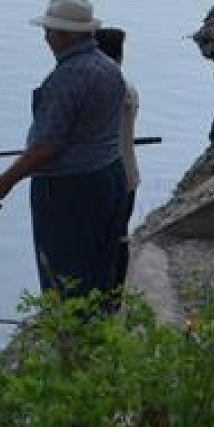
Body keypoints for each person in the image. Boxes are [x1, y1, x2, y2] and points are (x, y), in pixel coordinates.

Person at [0, 0, 129, 303]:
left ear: (62, 35)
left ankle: (72, 342)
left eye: (48, 31)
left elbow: (46, 147)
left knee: (65, 274)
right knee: (100, 267)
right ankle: (99, 333)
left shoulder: (66, 79)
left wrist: (4, 182)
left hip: (69, 191)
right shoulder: (110, 68)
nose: (45, 38)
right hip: (110, 177)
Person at [95, 26, 141, 288]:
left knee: (105, 240)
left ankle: (107, 294)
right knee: (119, 236)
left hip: (112, 177)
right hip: (128, 174)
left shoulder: (110, 90)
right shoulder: (129, 89)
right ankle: (115, 295)